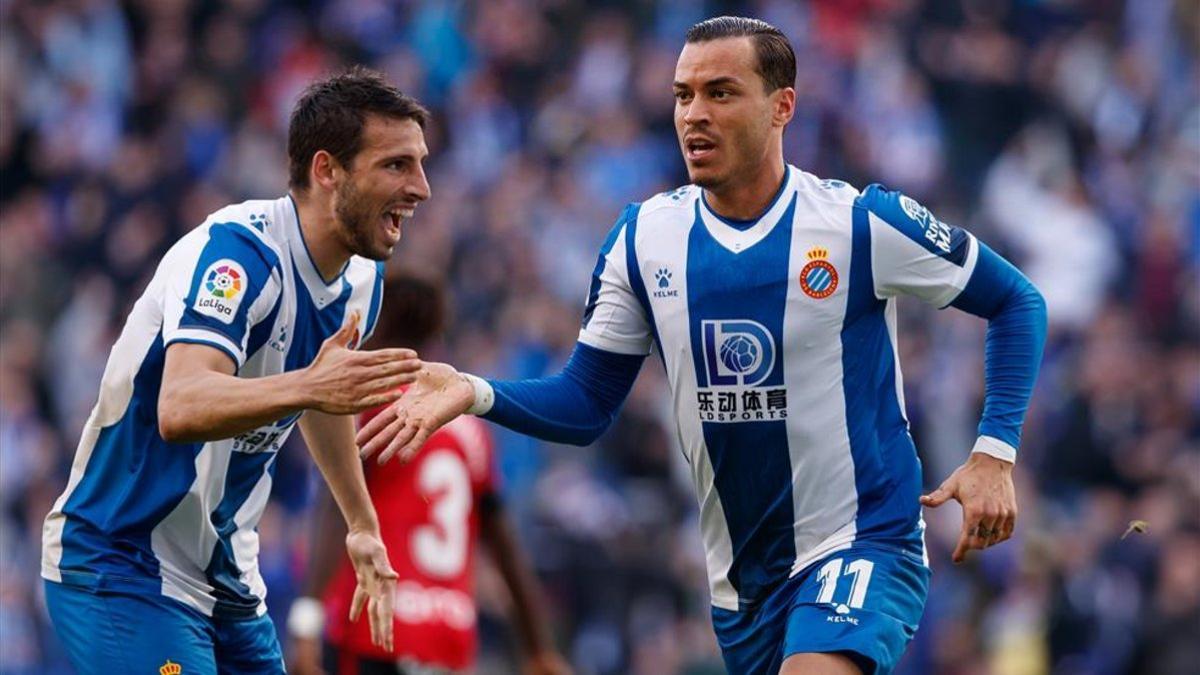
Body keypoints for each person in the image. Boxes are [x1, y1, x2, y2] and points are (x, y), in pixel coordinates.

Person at [358, 16, 1047, 675]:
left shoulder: (861, 223)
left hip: (862, 541)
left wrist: (995, 450)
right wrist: (475, 390)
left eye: (721, 93)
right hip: (742, 581)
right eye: (683, 95)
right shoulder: (642, 240)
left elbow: (1017, 299)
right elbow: (587, 400)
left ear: (783, 107)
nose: (694, 114)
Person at [40, 67, 431, 674]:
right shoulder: (236, 254)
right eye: (397, 165)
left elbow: (323, 404)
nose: (422, 188)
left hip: (227, 584)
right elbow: (181, 406)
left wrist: (361, 522)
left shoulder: (360, 281)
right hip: (121, 561)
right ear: (327, 170)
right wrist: (310, 385)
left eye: (420, 164)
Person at [287, 274, 569, 675]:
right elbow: (505, 546)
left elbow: (337, 510)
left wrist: (306, 619)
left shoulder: (369, 406)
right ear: (437, 330)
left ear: (375, 325)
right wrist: (539, 649)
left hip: (373, 626)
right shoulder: (470, 429)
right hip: (448, 636)